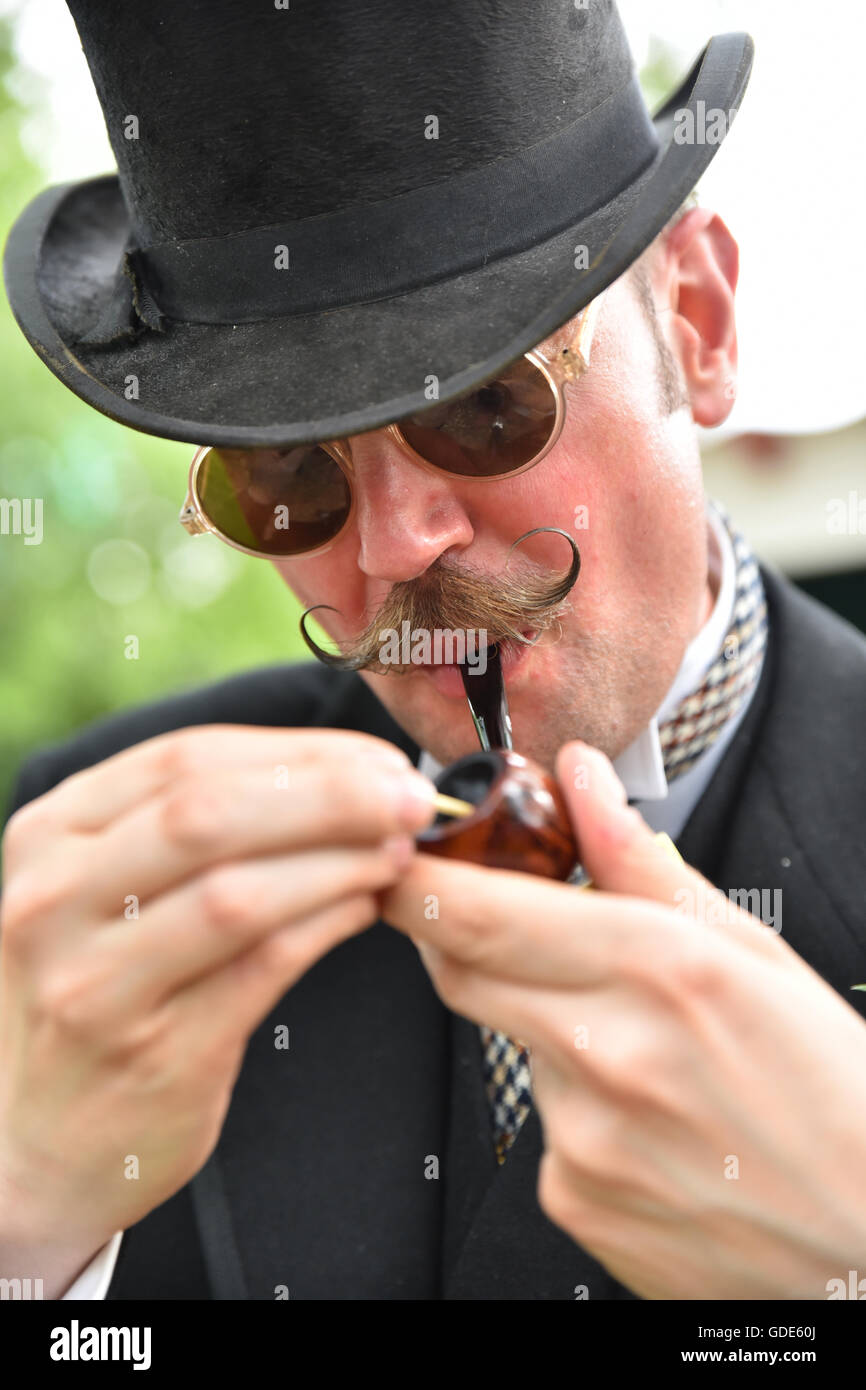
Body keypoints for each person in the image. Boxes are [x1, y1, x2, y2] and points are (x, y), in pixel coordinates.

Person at [1, 1, 865, 1302]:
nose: (402, 544)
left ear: (694, 321)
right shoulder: (87, 884)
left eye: (487, 405)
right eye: (290, 471)